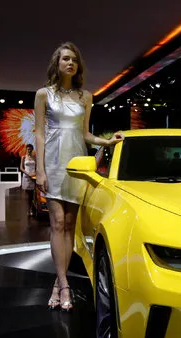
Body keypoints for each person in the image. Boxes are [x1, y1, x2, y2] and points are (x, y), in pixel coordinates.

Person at [34, 41, 123, 312]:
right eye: (64, 59)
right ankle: (64, 284)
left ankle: (58, 283)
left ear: (78, 65)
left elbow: (84, 134)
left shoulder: (86, 96)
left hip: (77, 164)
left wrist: (106, 142)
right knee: (57, 222)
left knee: (70, 225)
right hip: (52, 162)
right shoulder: (43, 94)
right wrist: (39, 169)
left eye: (73, 59)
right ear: (56, 64)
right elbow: (38, 132)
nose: (69, 63)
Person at [20, 144, 37, 217]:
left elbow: (37, 168)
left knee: (33, 194)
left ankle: (33, 208)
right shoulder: (23, 157)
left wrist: (34, 173)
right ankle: (28, 209)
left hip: (33, 177)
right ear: (26, 149)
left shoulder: (35, 157)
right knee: (27, 195)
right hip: (26, 177)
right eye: (28, 149)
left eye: (30, 149)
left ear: (32, 149)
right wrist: (28, 173)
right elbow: (21, 168)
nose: (29, 150)